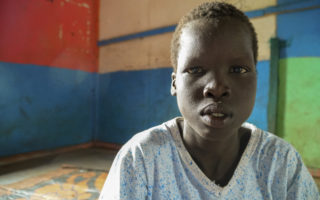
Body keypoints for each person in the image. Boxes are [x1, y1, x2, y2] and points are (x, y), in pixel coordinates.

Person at [99, 2, 319, 199]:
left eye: (238, 69)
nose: (216, 87)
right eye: (195, 69)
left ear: (255, 79)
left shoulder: (280, 163)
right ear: (175, 83)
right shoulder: (142, 159)